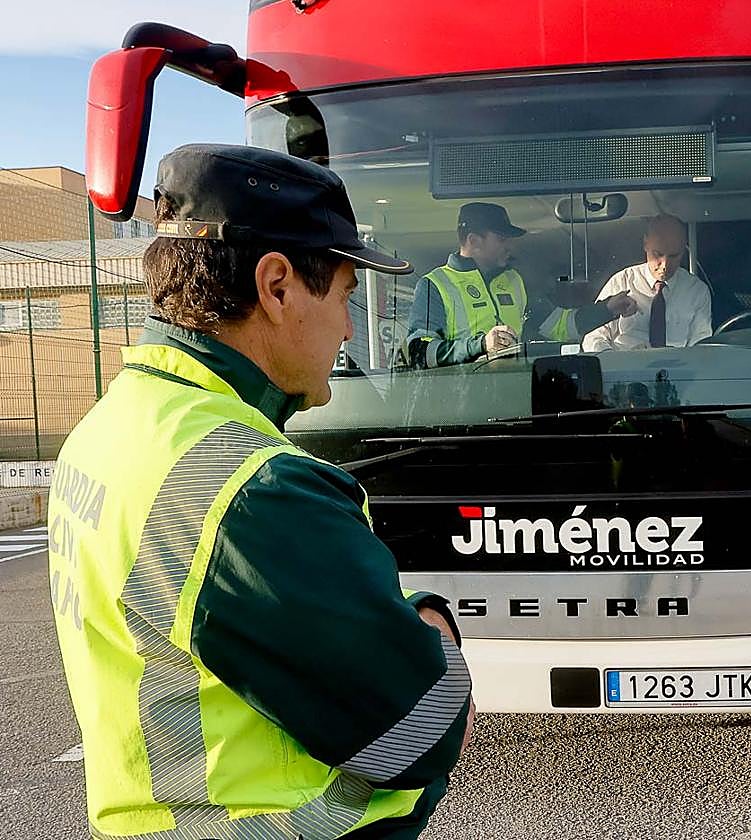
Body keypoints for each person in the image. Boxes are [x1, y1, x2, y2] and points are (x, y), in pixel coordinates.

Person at [48, 144, 474, 839]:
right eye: (342, 296)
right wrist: (428, 621)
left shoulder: (108, 427)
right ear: (276, 287)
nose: (346, 328)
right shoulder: (258, 489)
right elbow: (422, 728)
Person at [407, 202, 636, 366]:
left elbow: (559, 325)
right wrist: (481, 345)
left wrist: (606, 310)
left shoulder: (515, 281)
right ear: (474, 241)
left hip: (512, 407)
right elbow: (419, 353)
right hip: (457, 415)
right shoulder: (434, 285)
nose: (510, 247)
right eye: (502, 239)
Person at [581, 214, 712, 351]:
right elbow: (593, 337)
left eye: (674, 256)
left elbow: (701, 347)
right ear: (645, 244)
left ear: (683, 250)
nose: (665, 265)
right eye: (658, 254)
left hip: (678, 370)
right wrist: (615, 361)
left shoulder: (696, 291)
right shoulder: (622, 282)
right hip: (624, 368)